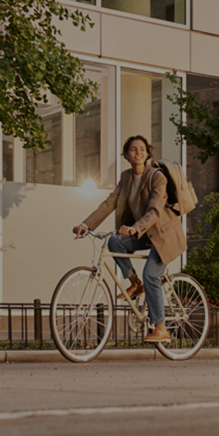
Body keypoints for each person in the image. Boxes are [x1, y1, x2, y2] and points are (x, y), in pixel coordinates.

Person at [72, 135, 187, 342]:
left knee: (151, 274)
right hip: (143, 234)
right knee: (115, 241)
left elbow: (155, 210)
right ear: (126, 155)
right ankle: (135, 284)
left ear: (147, 153)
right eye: (133, 149)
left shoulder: (157, 177)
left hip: (163, 235)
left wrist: (134, 228)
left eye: (142, 149)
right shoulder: (126, 178)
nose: (138, 152)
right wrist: (86, 225)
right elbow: (109, 203)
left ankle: (161, 328)